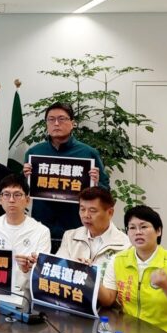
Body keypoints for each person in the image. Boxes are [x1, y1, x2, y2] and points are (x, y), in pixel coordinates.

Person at [99, 206, 167, 333]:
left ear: (158, 231)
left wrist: (166, 287)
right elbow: (107, 300)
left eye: (144, 227)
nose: (138, 232)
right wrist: (91, 276)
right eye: (132, 228)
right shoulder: (117, 261)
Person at [23, 102, 109, 252]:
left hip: (77, 229)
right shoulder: (34, 153)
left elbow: (106, 191)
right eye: (51, 119)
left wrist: (95, 183)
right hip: (43, 228)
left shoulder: (88, 153)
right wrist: (25, 178)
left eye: (62, 119)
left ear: (72, 123)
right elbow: (22, 191)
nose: (56, 123)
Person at [0, 174, 50, 291]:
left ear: (27, 200)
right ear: (0, 200)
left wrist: (26, 270)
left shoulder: (41, 231)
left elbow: (43, 275)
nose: (11, 200)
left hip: (27, 293)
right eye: (6, 194)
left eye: (17, 195)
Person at [55, 187, 129, 277]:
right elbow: (56, 269)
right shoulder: (70, 236)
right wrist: (73, 266)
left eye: (92, 211)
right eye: (82, 209)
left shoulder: (125, 245)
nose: (86, 215)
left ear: (110, 213)